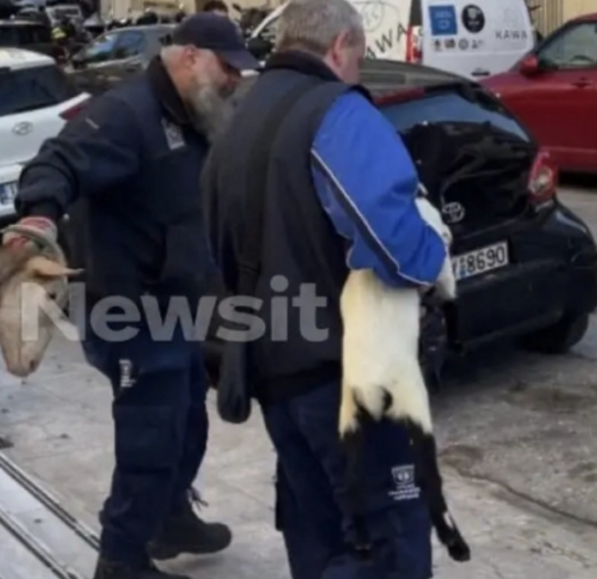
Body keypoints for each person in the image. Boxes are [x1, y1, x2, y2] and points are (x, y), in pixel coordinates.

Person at [3, 13, 260, 579]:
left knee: (187, 417)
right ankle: (120, 556)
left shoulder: (192, 112)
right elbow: (57, 161)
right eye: (227, 69)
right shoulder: (128, 113)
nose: (234, 81)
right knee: (150, 430)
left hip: (172, 305)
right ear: (191, 56)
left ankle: (168, 517)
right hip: (126, 307)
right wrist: (40, 214)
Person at [202, 0, 449, 578]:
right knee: (388, 546)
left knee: (315, 536)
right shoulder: (337, 114)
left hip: (272, 371)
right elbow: (403, 254)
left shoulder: (235, 117)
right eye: (359, 58)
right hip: (344, 378)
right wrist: (437, 242)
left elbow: (217, 249)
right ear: (340, 47)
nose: (358, 70)